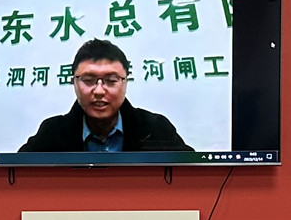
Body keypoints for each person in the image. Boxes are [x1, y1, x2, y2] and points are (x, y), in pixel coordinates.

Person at [18, 38, 192, 153]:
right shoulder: (52, 132)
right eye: (89, 80)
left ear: (125, 82)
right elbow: (17, 177)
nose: (99, 91)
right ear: (74, 83)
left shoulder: (155, 129)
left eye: (111, 80)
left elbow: (191, 175)